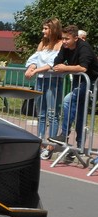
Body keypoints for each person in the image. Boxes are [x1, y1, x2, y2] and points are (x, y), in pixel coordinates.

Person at [49, 25, 98, 158]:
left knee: (67, 101)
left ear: (76, 38)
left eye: (67, 39)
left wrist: (65, 68)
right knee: (80, 111)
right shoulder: (65, 47)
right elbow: (57, 62)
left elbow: (83, 68)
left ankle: (64, 134)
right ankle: (80, 146)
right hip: (79, 80)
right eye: (63, 38)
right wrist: (60, 66)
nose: (64, 41)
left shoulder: (84, 48)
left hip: (91, 81)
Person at [24, 17, 64, 159]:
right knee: (41, 113)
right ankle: (40, 141)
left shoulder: (60, 44)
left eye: (46, 28)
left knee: (52, 114)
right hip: (41, 81)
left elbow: (53, 63)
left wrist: (36, 71)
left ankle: (51, 144)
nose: (43, 31)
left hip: (53, 82)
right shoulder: (43, 43)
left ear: (53, 29)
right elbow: (34, 59)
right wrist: (31, 67)